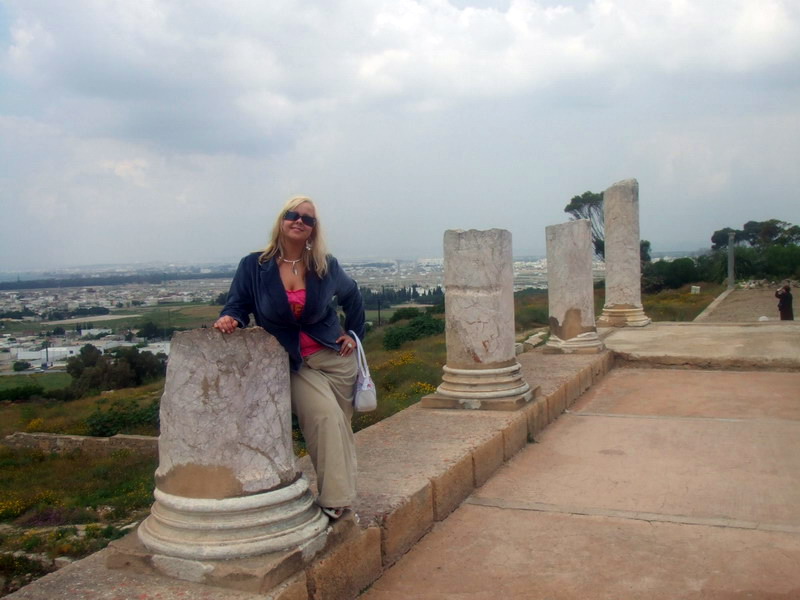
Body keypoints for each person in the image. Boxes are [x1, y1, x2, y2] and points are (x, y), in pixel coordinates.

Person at [214, 196, 365, 520]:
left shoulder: (325, 265)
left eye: (307, 219)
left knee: (338, 429)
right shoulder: (254, 266)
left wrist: (354, 334)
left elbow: (353, 296)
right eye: (293, 214)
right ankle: (336, 498)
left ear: (313, 229)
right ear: (281, 220)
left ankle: (343, 492)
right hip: (293, 361)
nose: (299, 221)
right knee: (326, 418)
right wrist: (231, 319)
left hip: (336, 360)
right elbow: (238, 303)